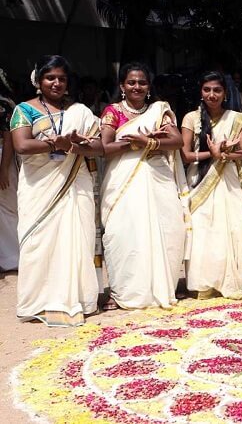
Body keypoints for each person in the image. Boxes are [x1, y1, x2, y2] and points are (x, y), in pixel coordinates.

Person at [11, 55, 103, 326]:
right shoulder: (24, 110)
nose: (56, 83)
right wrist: (55, 144)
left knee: (77, 238)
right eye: (50, 77)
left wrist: (72, 146)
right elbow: (21, 145)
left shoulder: (79, 111)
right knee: (37, 242)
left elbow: (99, 147)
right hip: (39, 187)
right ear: (38, 80)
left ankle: (77, 297)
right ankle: (36, 302)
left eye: (62, 78)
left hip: (75, 184)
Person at [100, 62, 189, 310]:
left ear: (149, 87)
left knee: (167, 229)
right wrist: (136, 144)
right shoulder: (112, 112)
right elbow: (105, 148)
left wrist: (149, 143)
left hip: (158, 180)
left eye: (142, 82)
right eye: (131, 82)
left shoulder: (159, 110)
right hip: (123, 183)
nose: (137, 87)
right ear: (122, 86)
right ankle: (123, 290)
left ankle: (162, 285)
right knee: (123, 233)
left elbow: (177, 141)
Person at [180, 71, 242, 299]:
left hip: (228, 179)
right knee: (203, 229)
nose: (212, 94)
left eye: (217, 90)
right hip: (200, 179)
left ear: (225, 93)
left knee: (233, 227)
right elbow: (185, 155)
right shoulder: (191, 118)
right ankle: (204, 283)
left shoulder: (234, 118)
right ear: (201, 92)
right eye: (207, 89)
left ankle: (231, 280)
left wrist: (224, 155)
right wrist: (211, 154)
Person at [0, 78, 19, 272]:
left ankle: (13, 258)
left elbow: (8, 139)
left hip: (2, 157)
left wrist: (4, 168)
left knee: (7, 207)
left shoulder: (4, 104)